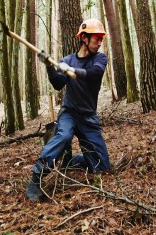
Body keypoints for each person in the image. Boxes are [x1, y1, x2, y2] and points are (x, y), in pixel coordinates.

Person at [25, 18, 111, 201]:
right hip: (69, 114)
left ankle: (69, 160)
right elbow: (57, 84)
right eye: (96, 38)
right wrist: (50, 66)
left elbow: (93, 74)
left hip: (88, 118)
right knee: (63, 136)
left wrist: (71, 70)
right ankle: (36, 176)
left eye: (101, 39)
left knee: (102, 167)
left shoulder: (100, 58)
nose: (99, 42)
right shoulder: (67, 60)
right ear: (84, 38)